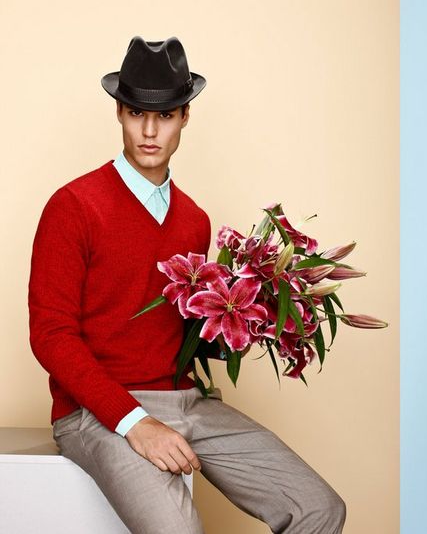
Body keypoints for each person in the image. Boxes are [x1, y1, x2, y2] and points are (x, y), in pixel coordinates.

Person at [28, 36, 346, 533]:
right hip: (95, 410)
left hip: (186, 401)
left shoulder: (194, 220)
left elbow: (178, 332)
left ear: (185, 116)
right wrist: (134, 421)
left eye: (166, 115)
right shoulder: (73, 206)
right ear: (119, 112)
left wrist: (265, 317)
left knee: (320, 508)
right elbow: (50, 335)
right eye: (137, 113)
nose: (149, 130)